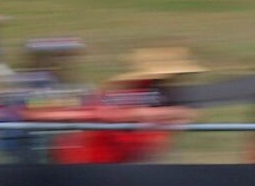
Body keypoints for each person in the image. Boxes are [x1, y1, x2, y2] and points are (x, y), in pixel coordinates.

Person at [55, 48, 201, 165]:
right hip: (94, 168)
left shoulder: (156, 100)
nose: (177, 82)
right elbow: (137, 144)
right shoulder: (128, 97)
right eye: (175, 77)